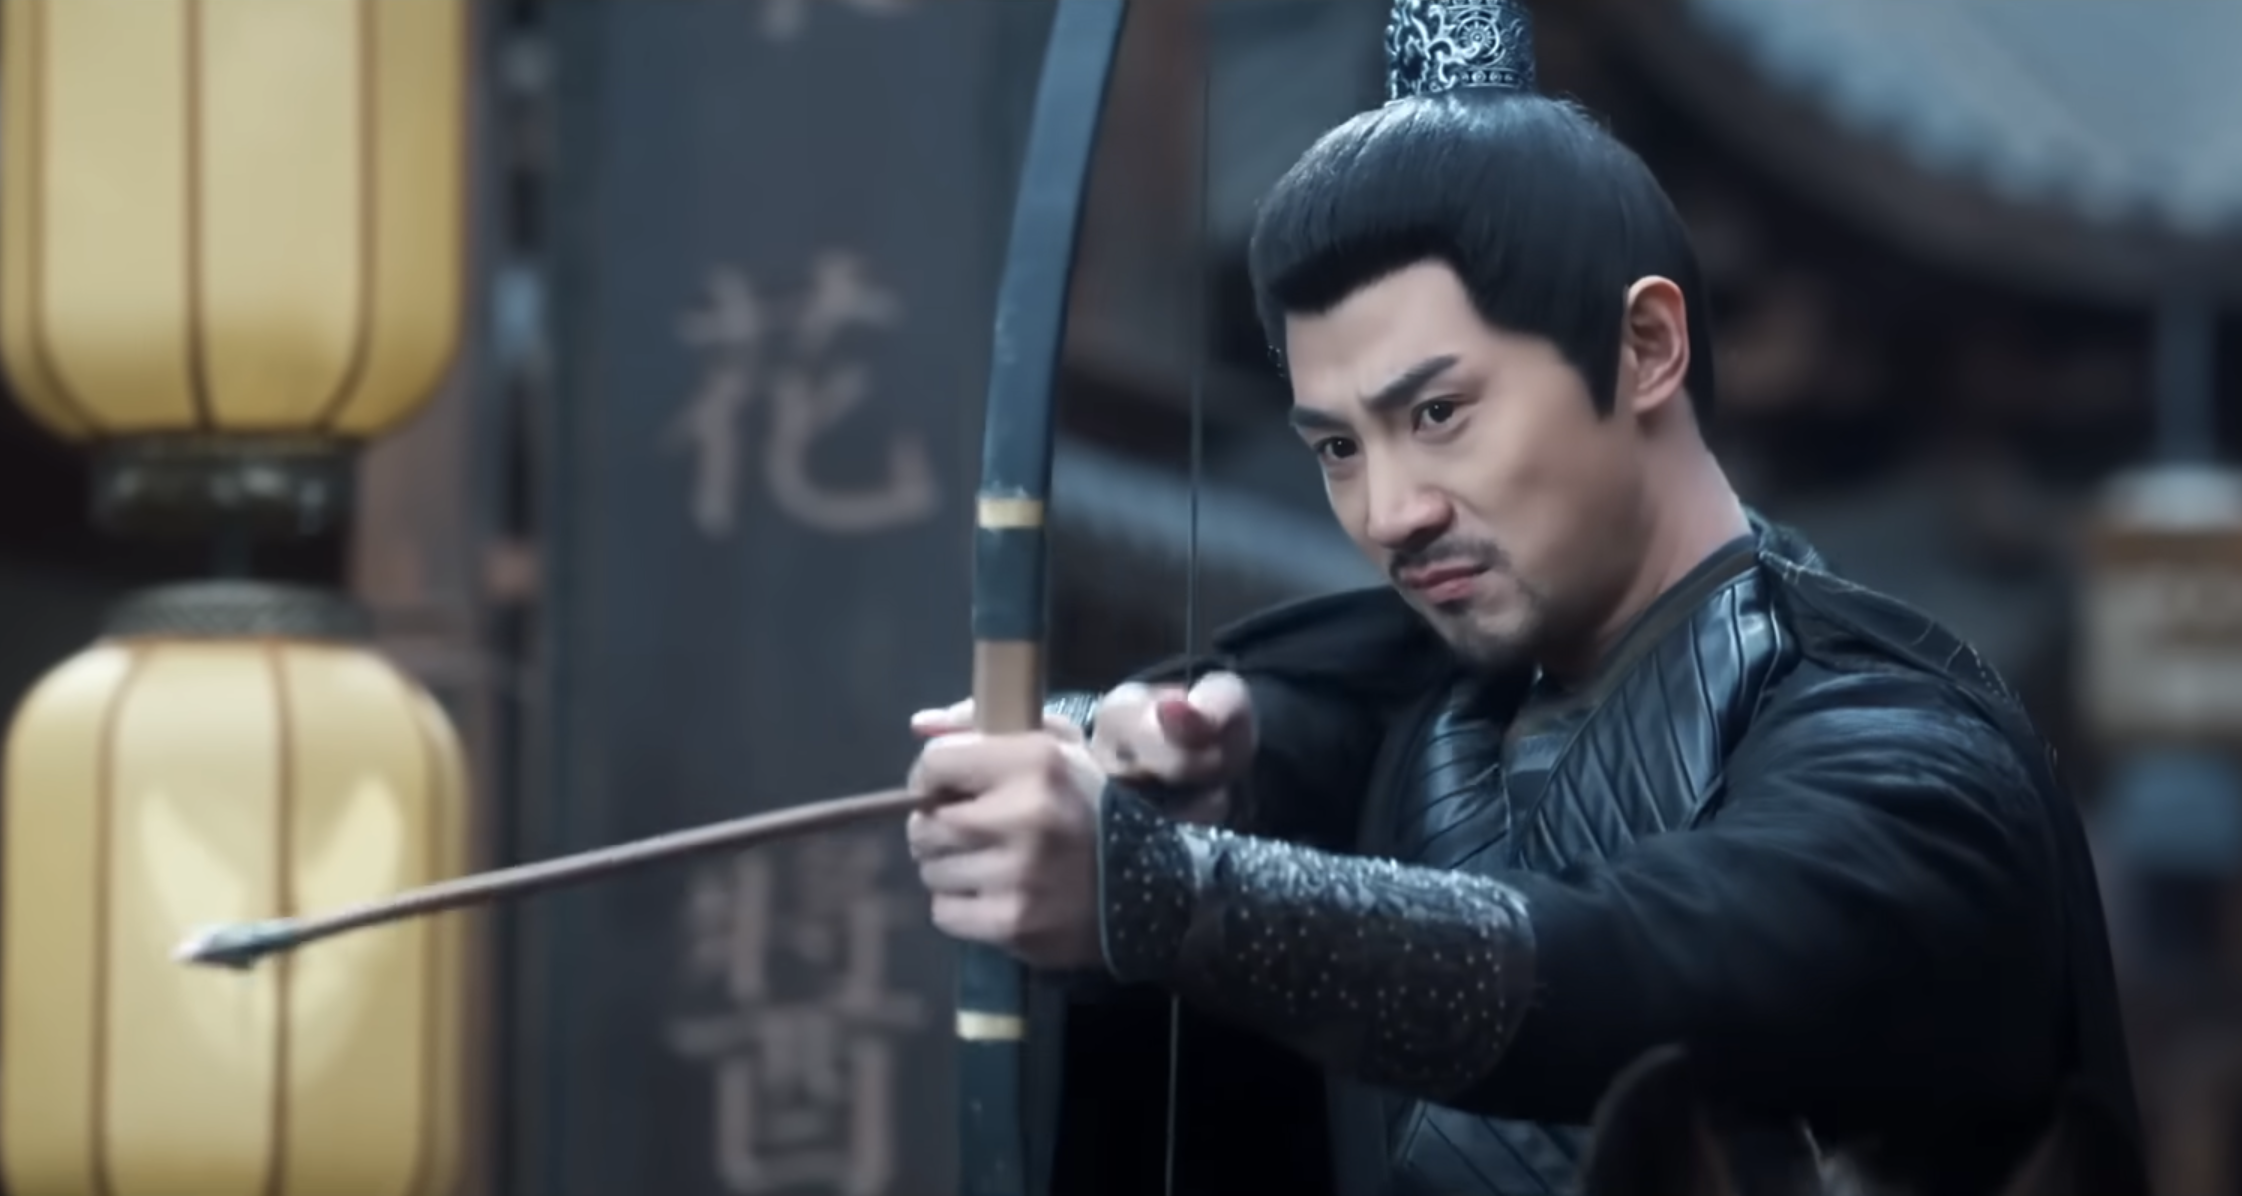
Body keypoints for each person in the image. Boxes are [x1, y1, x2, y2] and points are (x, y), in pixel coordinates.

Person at [903, 3, 2144, 1193]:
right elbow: (1303, 734)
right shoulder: (1415, 722)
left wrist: (1168, 892)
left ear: (1645, 347)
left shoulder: (1914, 760)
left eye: (1438, 412)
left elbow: (1645, 959)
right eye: (1337, 446)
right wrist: (1142, 757)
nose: (1389, 510)